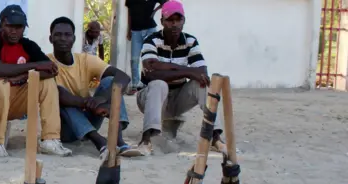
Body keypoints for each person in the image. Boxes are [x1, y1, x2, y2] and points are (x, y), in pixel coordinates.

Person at [0, 5, 72, 157]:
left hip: (16, 101)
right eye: (10, 26)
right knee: (0, 84)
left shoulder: (28, 45)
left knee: (47, 83)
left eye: (19, 27)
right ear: (2, 24)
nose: (14, 31)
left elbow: (51, 70)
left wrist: (21, 77)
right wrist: (35, 65)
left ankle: (50, 140)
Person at [136, 0, 226, 156]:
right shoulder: (151, 40)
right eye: (170, 20)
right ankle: (146, 140)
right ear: (162, 21)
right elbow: (151, 73)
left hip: (178, 100)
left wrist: (164, 66)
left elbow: (202, 73)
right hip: (150, 98)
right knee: (159, 84)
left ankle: (216, 137)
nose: (175, 24)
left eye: (179, 19)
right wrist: (188, 71)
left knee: (202, 84)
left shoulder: (190, 41)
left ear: (184, 21)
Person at [48, 17, 143, 157]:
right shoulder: (46, 62)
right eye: (58, 35)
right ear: (51, 39)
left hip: (89, 118)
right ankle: (100, 142)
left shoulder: (85, 60)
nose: (63, 38)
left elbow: (123, 76)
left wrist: (101, 98)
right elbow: (60, 96)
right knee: (60, 99)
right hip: (65, 129)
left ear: (74, 38)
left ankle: (118, 140)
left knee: (111, 81)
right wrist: (93, 105)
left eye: (67, 35)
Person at [125, 0, 167, 95]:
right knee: (134, 59)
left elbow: (165, 2)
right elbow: (129, 14)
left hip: (150, 30)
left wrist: (155, 10)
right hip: (136, 32)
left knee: (151, 58)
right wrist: (129, 30)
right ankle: (135, 85)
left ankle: (150, 83)